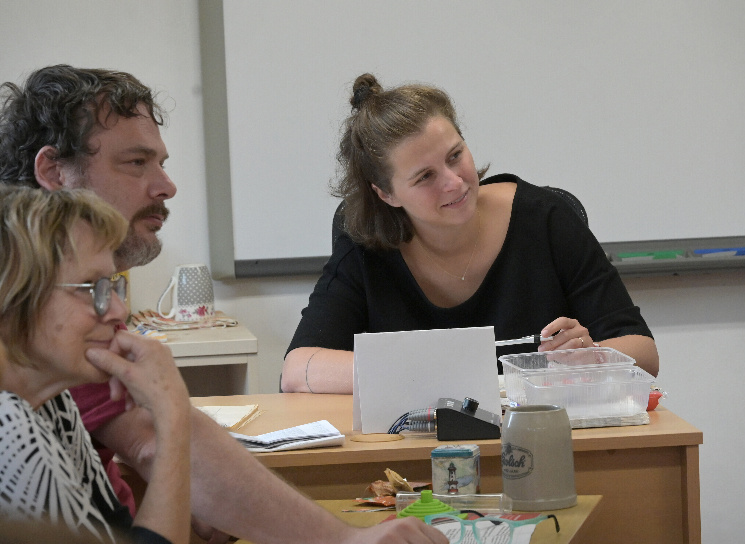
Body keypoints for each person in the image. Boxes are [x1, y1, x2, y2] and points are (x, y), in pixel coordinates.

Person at [0, 65, 446, 544]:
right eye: (136, 162)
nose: (166, 186)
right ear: (54, 172)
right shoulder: (46, 334)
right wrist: (345, 540)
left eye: (161, 163)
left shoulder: (59, 349)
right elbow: (157, 439)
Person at [282, 73, 659, 394]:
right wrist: (425, 372)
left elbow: (643, 352)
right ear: (386, 194)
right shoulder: (365, 245)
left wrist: (592, 357)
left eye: (455, 155)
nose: (454, 182)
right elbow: (298, 370)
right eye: (425, 176)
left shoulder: (546, 219)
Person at [0, 186, 191, 543]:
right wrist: (173, 414)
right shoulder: (7, 426)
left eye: (111, 286)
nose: (119, 311)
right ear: (12, 296)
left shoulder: (53, 400)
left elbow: (114, 525)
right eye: (90, 287)